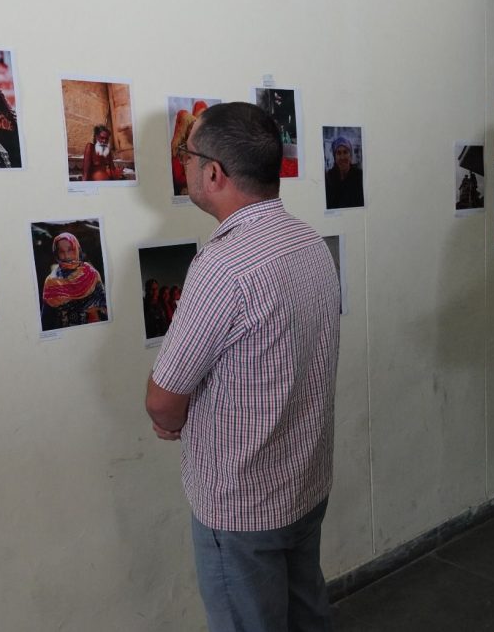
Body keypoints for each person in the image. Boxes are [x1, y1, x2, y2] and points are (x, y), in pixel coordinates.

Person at [145, 102, 341, 632]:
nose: (183, 163)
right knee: (306, 615)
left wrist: (170, 421)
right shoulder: (310, 242)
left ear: (213, 173)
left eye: (186, 154)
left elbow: (163, 399)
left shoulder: (223, 265)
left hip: (242, 503)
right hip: (304, 481)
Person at [40, 232, 107, 329]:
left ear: (77, 249)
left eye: (70, 250)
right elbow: (47, 321)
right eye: (61, 251)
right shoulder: (51, 281)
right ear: (56, 253)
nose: (66, 256)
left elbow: (104, 309)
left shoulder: (91, 274)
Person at [324, 136, 365, 210]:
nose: (342, 157)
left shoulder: (359, 176)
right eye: (338, 153)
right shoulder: (328, 178)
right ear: (334, 157)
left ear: (350, 156)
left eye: (345, 152)